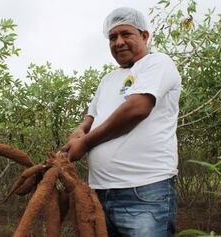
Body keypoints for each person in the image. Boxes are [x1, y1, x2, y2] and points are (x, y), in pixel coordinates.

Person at [62, 7, 181, 237]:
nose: (119, 42)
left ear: (144, 36)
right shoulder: (108, 79)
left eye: (126, 34)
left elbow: (137, 109)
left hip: (144, 192)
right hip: (99, 193)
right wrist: (78, 132)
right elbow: (91, 118)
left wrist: (85, 143)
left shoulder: (157, 63)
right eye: (113, 37)